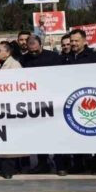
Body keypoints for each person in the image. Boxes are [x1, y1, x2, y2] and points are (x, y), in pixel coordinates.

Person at [19, 35, 62, 174]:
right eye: (30, 50)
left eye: (35, 50)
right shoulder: (24, 59)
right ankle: (42, 163)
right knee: (39, 134)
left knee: (57, 134)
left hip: (54, 102)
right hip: (34, 104)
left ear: (41, 45)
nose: (32, 53)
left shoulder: (54, 57)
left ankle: (61, 164)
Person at [63, 29, 96, 174]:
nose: (73, 43)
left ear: (85, 41)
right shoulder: (65, 58)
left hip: (92, 101)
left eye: (76, 41)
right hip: (72, 103)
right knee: (75, 133)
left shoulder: (95, 57)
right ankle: (78, 163)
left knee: (95, 133)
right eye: (72, 41)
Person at [0, 43, 26, 178]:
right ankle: (4, 167)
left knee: (10, 141)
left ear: (7, 52)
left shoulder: (15, 65)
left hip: (10, 107)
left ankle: (9, 169)